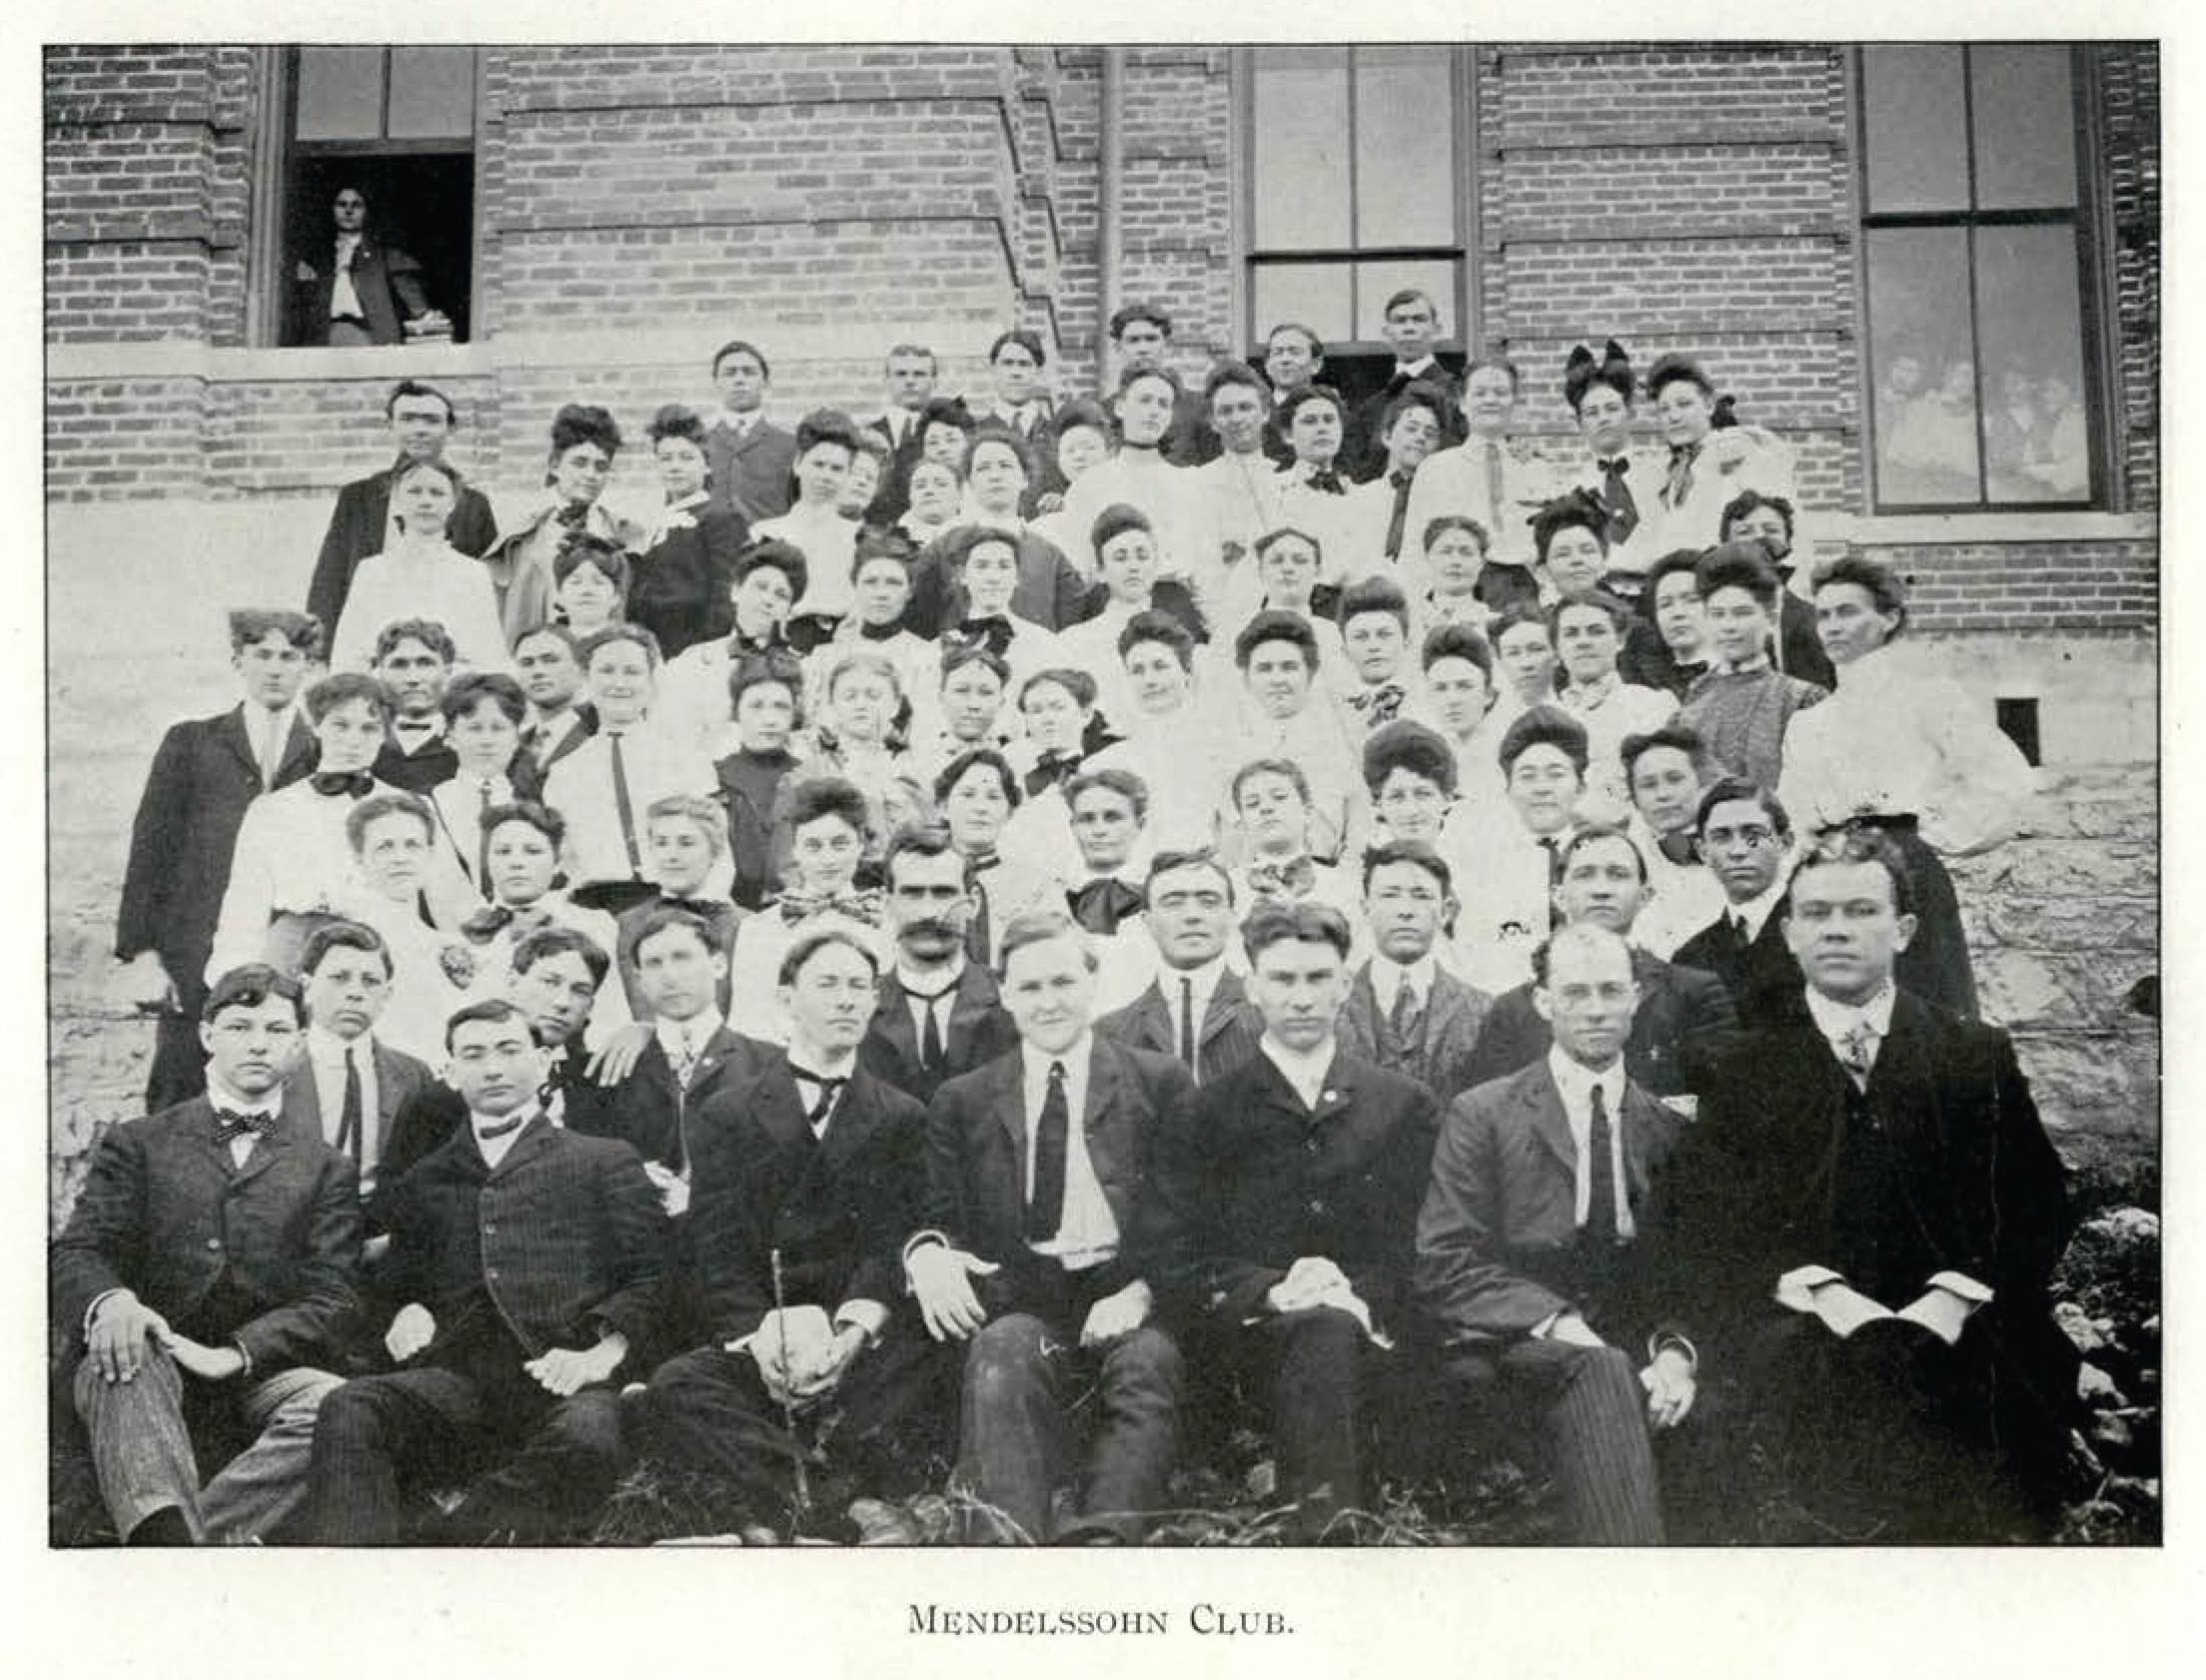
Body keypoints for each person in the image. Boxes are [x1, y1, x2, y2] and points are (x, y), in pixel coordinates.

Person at [1654, 828, 2076, 1541]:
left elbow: (2035, 1204)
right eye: (1817, 914)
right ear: (1789, 934)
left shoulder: (1972, 1053)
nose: (1838, 931)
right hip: (1805, 1324)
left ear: (1905, 930)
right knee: (1813, 1417)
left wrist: (1953, 1296)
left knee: (2006, 1403)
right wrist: (1822, 1293)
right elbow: (1708, 1222)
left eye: (1860, 911)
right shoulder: (1746, 1067)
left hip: (1961, 1318)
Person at [300, 998, 663, 1544]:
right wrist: (403, 1309)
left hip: (565, 1373)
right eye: (473, 1055)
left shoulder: (603, 1158)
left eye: (509, 1050)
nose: (493, 1067)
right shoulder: (426, 1178)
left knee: (590, 1439)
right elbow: (396, 1279)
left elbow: (653, 1276)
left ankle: (445, 1542)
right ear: (449, 1073)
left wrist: (599, 1355)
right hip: (459, 1380)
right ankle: (357, 1576)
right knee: (351, 1406)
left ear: (542, 1063)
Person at [625, 930, 952, 1531]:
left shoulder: (903, 1115)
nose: (846, 1000)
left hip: (856, 1341)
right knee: (677, 1384)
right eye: (827, 984)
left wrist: (853, 1334)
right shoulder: (727, 1112)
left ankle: (772, 1495)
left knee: (933, 1357)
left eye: (859, 986)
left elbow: (893, 1240)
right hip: (767, 1336)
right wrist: (760, 1336)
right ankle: (842, 1501)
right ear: (786, 1000)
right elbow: (716, 1248)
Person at [905, 910, 1193, 1543]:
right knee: (1003, 1351)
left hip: (1129, 1285)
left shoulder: (1159, 1082)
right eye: (1030, 988)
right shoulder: (965, 1099)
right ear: (1005, 996)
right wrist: (930, 1254)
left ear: (1093, 982)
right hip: (1024, 1289)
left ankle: (1105, 1540)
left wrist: (1142, 1291)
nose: (1048, 1002)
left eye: (1063, 982)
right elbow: (938, 1214)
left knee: (1146, 1365)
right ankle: (1009, 1541)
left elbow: (1187, 1212)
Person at [1154, 900, 1440, 1537]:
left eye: (1318, 979)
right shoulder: (1205, 1112)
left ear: (1346, 984)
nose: (1302, 997)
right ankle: (1328, 1533)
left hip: (1377, 1338)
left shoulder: (1403, 1105)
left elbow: (1422, 1244)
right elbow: (1177, 1254)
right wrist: (1275, 1290)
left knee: (1335, 1330)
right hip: (1246, 1344)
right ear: (1252, 987)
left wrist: (1352, 1293)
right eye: (1283, 980)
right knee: (1315, 1331)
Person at [52, 964, 360, 1544]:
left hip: (254, 1375)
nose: (258, 1043)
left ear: (297, 1044)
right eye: (240, 1026)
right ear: (207, 1036)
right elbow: (79, 1249)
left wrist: (235, 1354)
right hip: (149, 1359)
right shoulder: (141, 1141)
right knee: (124, 1351)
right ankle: (171, 1542)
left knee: (335, 1403)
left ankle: (181, 1546)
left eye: (275, 1029)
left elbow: (333, 1297)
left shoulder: (323, 1166)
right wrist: (113, 1302)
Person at [1414, 923, 1688, 1545]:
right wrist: (1563, 1324)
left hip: (1631, 1332)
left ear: (1637, 998)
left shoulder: (1665, 1126)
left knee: (1704, 1410)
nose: (1595, 1010)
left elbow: (1686, 1269)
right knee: (1600, 1372)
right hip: (1513, 1337)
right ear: (1543, 1002)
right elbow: (1444, 1259)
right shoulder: (1484, 1112)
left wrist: (1675, 1356)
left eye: (1611, 991)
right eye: (1574, 993)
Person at [1779, 554, 2037, 1021]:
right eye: (1824, 615)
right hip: (1833, 872)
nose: (1833, 626)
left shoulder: (1928, 697)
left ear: (1889, 618)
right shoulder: (1808, 722)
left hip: (1907, 871)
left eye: (1848, 612)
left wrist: (1930, 837)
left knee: (1929, 1016)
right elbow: (1794, 814)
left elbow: (2008, 778)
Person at [118, 609, 323, 1110]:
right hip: (196, 950)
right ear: (239, 661)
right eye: (262, 655)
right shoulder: (192, 743)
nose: (275, 668)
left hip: (292, 948)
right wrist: (142, 953)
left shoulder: (324, 748)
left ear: (309, 668)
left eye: (289, 657)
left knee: (287, 1091)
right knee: (182, 1090)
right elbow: (152, 850)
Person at [1465, 823, 1739, 1103]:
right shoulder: (1513, 1011)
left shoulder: (1693, 994)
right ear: (1558, 896)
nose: (1601, 890)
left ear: (1645, 896)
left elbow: (1723, 1107)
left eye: (1618, 875)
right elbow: (1489, 1114)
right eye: (1585, 875)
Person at [204, 671, 403, 984]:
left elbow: (446, 897)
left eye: (369, 728)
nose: (354, 739)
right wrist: (233, 978)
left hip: (382, 942)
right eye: (340, 725)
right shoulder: (274, 809)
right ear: (316, 726)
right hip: (296, 947)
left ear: (384, 734)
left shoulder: (406, 806)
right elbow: (245, 904)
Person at [542, 625, 716, 902]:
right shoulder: (565, 772)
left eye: (632, 672)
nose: (619, 684)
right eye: (607, 671)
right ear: (586, 680)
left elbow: (715, 848)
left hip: (674, 899)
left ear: (651, 683)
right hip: (595, 904)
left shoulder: (686, 760)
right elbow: (566, 860)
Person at [307, 383, 498, 635]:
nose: (419, 430)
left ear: (450, 428)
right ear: (390, 425)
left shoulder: (474, 505)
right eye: (407, 419)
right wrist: (317, 649)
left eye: (431, 421)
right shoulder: (357, 498)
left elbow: (488, 590)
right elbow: (329, 581)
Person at [859, 822, 1020, 1105]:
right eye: (912, 893)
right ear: (886, 903)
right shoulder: (857, 1006)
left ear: (973, 903)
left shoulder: (1015, 1003)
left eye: (944, 893)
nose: (929, 912)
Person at [280, 921, 437, 1207]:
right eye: (339, 977)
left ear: (386, 994)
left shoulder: (414, 1076)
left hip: (381, 1232)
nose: (355, 992)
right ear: (307, 986)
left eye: (370, 981)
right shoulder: (275, 1070)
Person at [726, 779, 890, 1046]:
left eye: (839, 845)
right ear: (795, 850)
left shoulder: (886, 921)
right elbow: (748, 1024)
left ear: (860, 845)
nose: (827, 860)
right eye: (813, 846)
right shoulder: (759, 930)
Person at [1335, 840, 1494, 1101]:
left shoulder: (1484, 1011)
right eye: (1389, 895)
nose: (1405, 911)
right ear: (1366, 908)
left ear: (1445, 911)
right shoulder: (1329, 1005)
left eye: (1421, 896)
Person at [1095, 848, 1265, 1085]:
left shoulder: (1270, 1016)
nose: (1192, 916)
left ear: (1232, 917)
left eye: (1208, 902)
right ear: (1148, 922)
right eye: (1173, 903)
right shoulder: (1110, 1035)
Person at [483, 404, 647, 646]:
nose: (590, 475)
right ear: (554, 465)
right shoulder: (520, 539)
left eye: (600, 467)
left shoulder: (624, 536)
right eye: (579, 463)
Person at [1450, 704, 1586, 993]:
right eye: (1527, 776)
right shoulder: (1484, 868)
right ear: (1508, 790)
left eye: (1556, 774)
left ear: (1580, 785)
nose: (1541, 788)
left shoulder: (1601, 854)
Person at [329, 459, 510, 675]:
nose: (426, 501)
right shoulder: (371, 571)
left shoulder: (472, 573)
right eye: (415, 492)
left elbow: (489, 656)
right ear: (396, 501)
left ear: (453, 503)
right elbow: (348, 654)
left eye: (437, 493)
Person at [1676, 541, 1827, 794]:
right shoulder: (1695, 696)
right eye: (1717, 614)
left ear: (1770, 618)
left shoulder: (1800, 698)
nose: (1728, 626)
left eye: (1742, 613)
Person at [1224, 609, 1361, 864]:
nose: (1277, 679)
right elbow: (1229, 841)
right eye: (1265, 669)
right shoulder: (1230, 749)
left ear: (1309, 675)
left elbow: (1356, 829)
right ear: (1246, 679)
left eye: (1289, 668)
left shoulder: (1342, 743)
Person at [1670, 778, 1804, 1031]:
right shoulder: (1690, 958)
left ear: (1785, 842)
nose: (1737, 851)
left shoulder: (1817, 933)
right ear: (1703, 851)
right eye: (1721, 837)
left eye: (1753, 835)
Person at [654, 539, 808, 756]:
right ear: (735, 591)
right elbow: (670, 735)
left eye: (781, 595)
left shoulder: (804, 670)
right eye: (760, 587)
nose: (768, 600)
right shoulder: (693, 663)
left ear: (790, 611)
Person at [1059, 366, 1206, 585]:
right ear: (1120, 407)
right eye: (1144, 400)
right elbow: (1081, 565)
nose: (1154, 411)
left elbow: (1201, 564)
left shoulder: (1190, 482)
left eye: (1163, 404)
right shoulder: (1089, 485)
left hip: (1177, 606)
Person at [1639, 353, 1795, 557]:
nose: (1674, 417)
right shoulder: (1676, 472)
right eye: (1664, 409)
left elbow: (1777, 528)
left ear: (1709, 406)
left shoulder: (1742, 452)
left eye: (1685, 404)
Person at [1401, 355, 1541, 573]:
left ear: (1514, 403)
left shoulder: (1535, 467)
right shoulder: (1436, 469)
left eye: (1501, 393)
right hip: (1459, 585)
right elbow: (1414, 548)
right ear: (1463, 404)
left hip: (1526, 592)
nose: (1490, 400)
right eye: (1480, 393)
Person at [613, 794, 746, 1023]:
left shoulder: (744, 925)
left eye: (686, 843)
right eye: (661, 843)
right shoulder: (628, 924)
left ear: (714, 852)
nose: (671, 856)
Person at [633, 404, 748, 659]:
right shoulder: (656, 522)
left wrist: (706, 650)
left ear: (707, 465)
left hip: (696, 648)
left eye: (686, 458)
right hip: (652, 649)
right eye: (666, 458)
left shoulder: (720, 517)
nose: (675, 467)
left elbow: (725, 594)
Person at [1552, 589, 1676, 821]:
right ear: (1556, 649)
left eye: (1596, 632)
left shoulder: (1655, 706)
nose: (1584, 642)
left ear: (1620, 640)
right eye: (1571, 634)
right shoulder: (1546, 718)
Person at [419, 672, 538, 904]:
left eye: (498, 728)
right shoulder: (430, 803)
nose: (487, 740)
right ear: (450, 737)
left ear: (516, 738)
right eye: (474, 728)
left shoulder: (535, 801)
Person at [754, 409, 867, 638]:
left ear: (848, 475)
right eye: (818, 464)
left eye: (837, 469)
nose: (826, 476)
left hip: (841, 640)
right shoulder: (765, 533)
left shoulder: (858, 537)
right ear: (798, 464)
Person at [1618, 723, 1725, 961]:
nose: (1662, 794)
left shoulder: (1732, 841)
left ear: (1702, 784)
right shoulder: (1629, 853)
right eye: (1648, 785)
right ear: (1634, 798)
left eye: (1674, 779)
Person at [1556, 339, 1658, 581]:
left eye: (1612, 408)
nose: (1603, 418)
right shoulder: (1570, 488)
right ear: (1579, 423)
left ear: (1629, 412)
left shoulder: (1660, 476)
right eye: (1592, 413)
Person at [710, 651, 804, 911]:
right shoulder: (713, 778)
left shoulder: (808, 776)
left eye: (780, 706)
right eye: (756, 706)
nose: (770, 719)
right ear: (736, 709)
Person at [1189, 362, 1287, 602]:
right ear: (1213, 421)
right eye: (1225, 411)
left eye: (1246, 408)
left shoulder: (1286, 479)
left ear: (1264, 414)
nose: (1237, 418)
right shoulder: (1197, 483)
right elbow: (1200, 568)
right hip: (1223, 607)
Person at [1718, 489, 1833, 689]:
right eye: (1745, 532)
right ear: (1726, 545)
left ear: (1787, 542)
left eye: (1771, 530)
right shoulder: (1703, 614)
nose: (1760, 538)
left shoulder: (1812, 621)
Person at [292, 186, 431, 348]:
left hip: (370, 336)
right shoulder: (316, 258)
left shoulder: (385, 256)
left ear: (366, 211)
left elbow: (416, 305)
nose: (349, 211)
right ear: (332, 210)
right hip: (325, 338)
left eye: (356, 205)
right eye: (342, 205)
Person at [1351, 290, 1469, 479]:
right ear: (1386, 333)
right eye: (1400, 321)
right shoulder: (1372, 406)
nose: (1409, 328)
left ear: (1437, 329)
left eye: (1419, 319)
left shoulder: (1458, 394)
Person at [703, 339, 799, 523]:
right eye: (729, 373)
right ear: (716, 383)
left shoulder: (790, 446)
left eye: (749, 372)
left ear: (765, 382)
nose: (739, 380)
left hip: (769, 549)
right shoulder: (699, 446)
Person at [1107, 301, 1213, 464]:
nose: (1143, 348)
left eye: (1151, 339)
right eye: (1133, 340)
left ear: (1167, 345)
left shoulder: (1199, 409)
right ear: (1118, 348)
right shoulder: (1104, 413)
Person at [367, 619, 461, 793]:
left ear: (448, 672)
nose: (413, 678)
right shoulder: (363, 740)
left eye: (425, 664)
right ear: (380, 672)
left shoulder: (466, 743)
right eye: (399, 665)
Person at [1619, 546, 1714, 699]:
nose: (1677, 613)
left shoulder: (1742, 675)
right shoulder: (1640, 688)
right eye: (1665, 604)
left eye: (1691, 600)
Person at [864, 342, 940, 522]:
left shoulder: (945, 438)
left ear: (935, 381)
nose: (910, 381)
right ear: (886, 381)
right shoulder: (867, 437)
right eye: (901, 374)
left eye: (919, 374)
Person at [1335, 574, 1421, 732]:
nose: (1373, 646)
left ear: (1407, 643)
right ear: (1345, 650)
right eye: (1361, 637)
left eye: (1384, 635)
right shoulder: (1334, 714)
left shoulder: (1429, 703)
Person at [513, 624, 594, 777]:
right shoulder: (513, 746)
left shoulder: (600, 731)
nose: (538, 671)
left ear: (581, 669)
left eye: (551, 660)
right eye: (527, 663)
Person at [1259, 321, 1327, 464]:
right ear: (1267, 365)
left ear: (1316, 364)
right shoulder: (1255, 415)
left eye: (1294, 352)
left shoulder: (1331, 416)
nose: (1285, 359)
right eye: (1278, 353)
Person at [977, 328, 1054, 444]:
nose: (1015, 372)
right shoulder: (976, 434)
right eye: (1007, 363)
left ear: (1039, 372)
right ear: (993, 370)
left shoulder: (1056, 434)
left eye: (1024, 364)